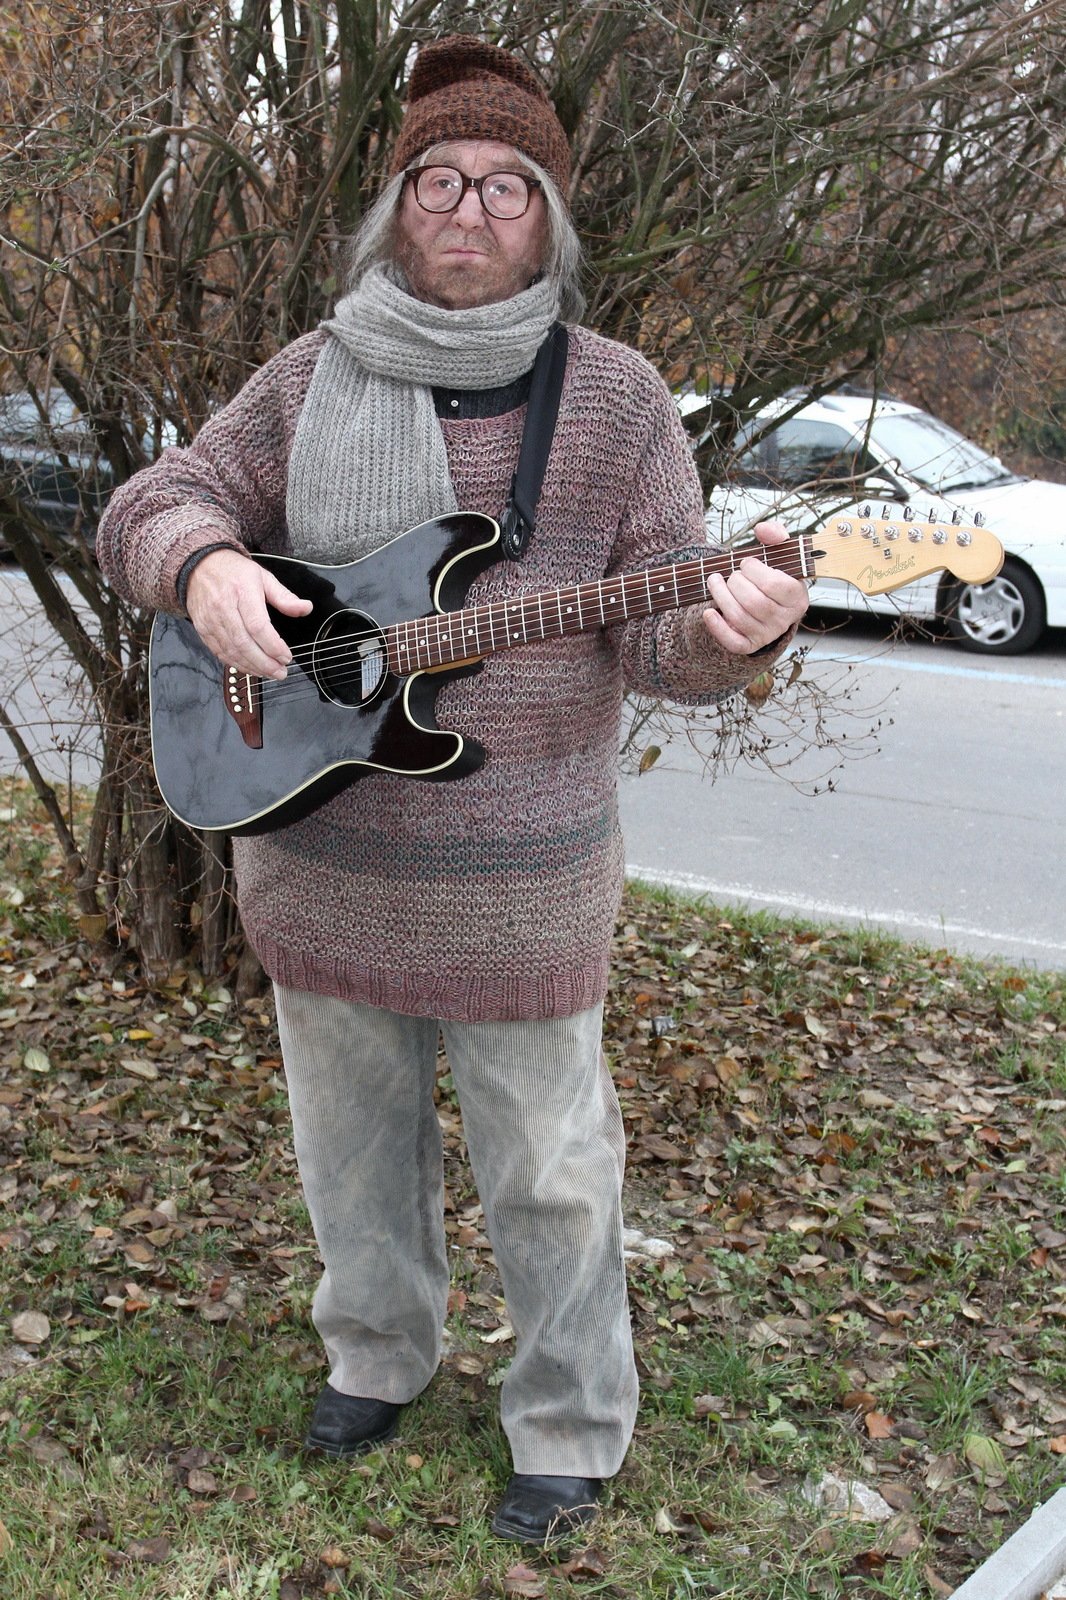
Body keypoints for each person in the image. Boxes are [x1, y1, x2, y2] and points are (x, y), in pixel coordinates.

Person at [97, 34, 809, 1545]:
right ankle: (375, 1355)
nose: (470, 211)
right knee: (347, 1148)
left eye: (505, 186)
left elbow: (654, 633)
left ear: (547, 217)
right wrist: (209, 566)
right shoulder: (311, 377)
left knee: (550, 1171)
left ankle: (565, 1423)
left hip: (525, 877)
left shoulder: (615, 402)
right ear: (396, 209)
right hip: (321, 848)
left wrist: (724, 636)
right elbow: (155, 503)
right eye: (440, 181)